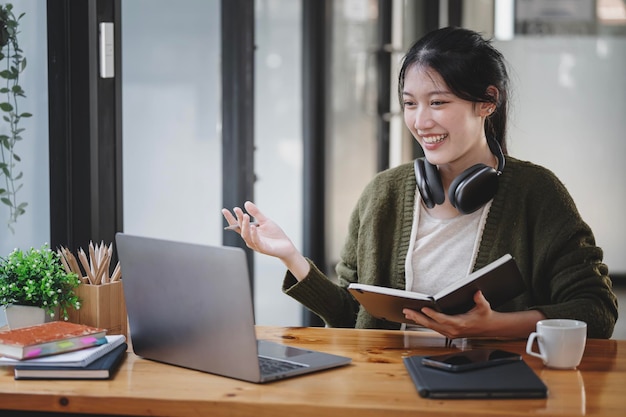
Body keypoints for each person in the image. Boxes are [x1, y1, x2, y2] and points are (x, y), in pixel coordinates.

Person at [222, 26, 618, 339]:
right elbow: (351, 317)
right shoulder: (383, 193)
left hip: (498, 391)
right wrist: (291, 258)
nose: (421, 121)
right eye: (411, 103)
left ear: (487, 102)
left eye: (439, 102)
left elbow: (596, 311)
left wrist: (494, 326)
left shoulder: (537, 193)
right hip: (387, 390)